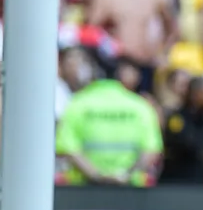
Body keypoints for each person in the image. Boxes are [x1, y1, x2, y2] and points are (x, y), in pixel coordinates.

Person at [55, 57, 163, 186]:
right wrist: (126, 176)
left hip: (83, 189)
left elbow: (68, 148)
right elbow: (151, 150)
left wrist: (97, 176)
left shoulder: (77, 104)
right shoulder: (140, 106)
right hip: (132, 190)